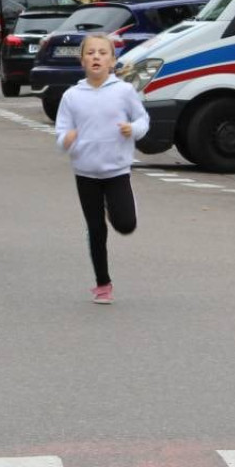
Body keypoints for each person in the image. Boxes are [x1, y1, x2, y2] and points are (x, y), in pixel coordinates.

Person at [55, 33, 149, 305]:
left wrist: (134, 129)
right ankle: (102, 284)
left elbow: (143, 118)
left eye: (102, 53)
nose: (96, 56)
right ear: (82, 60)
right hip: (85, 173)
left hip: (117, 170)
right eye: (90, 53)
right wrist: (66, 139)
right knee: (96, 229)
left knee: (126, 224)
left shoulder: (123, 91)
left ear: (112, 61)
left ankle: (116, 206)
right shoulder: (72, 96)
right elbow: (60, 134)